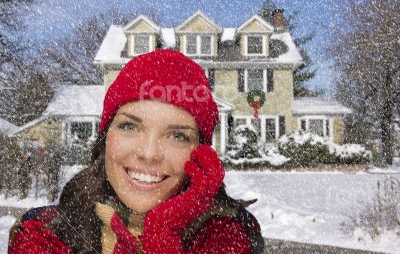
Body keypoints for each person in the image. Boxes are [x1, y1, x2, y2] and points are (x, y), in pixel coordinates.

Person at [8, 49, 264, 254]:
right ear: (106, 137)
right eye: (130, 126)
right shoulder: (44, 234)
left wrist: (163, 234)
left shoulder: (227, 238)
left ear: (201, 154)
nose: (149, 153)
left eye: (177, 136)